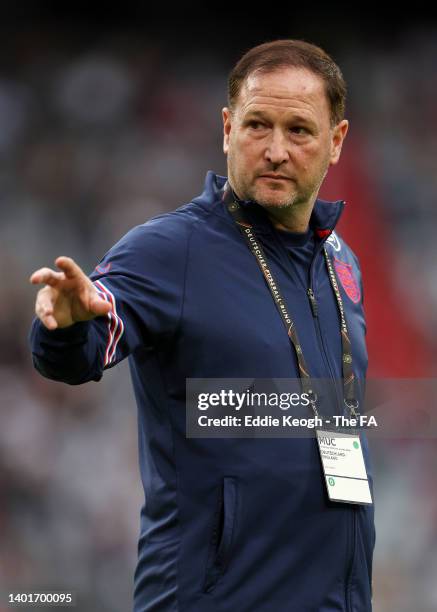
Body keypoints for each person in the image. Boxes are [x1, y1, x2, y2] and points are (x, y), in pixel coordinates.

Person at [29, 39, 375, 611]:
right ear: (226, 128)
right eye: (258, 125)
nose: (275, 150)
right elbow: (85, 345)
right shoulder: (171, 249)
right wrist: (65, 327)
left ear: (336, 142)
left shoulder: (341, 262)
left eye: (299, 131)